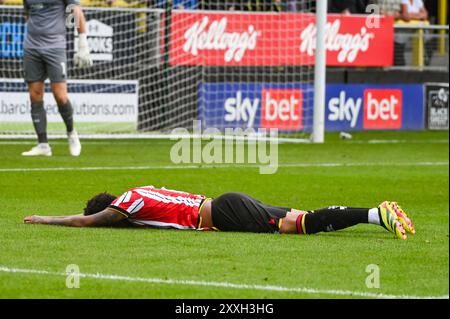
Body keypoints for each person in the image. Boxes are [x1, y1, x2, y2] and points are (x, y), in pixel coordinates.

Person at [24, 185, 416, 240]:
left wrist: (44, 219)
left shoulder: (127, 204)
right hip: (227, 202)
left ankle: (375, 216)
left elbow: (86, 221)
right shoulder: (141, 190)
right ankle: (375, 211)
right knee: (305, 216)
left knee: (299, 226)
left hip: (224, 213)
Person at [21, 0, 92, 157]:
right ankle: (43, 144)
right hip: (31, 47)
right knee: (35, 95)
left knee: (60, 95)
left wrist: (82, 43)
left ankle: (71, 132)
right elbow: (28, 14)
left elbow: (76, 10)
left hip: (55, 47)